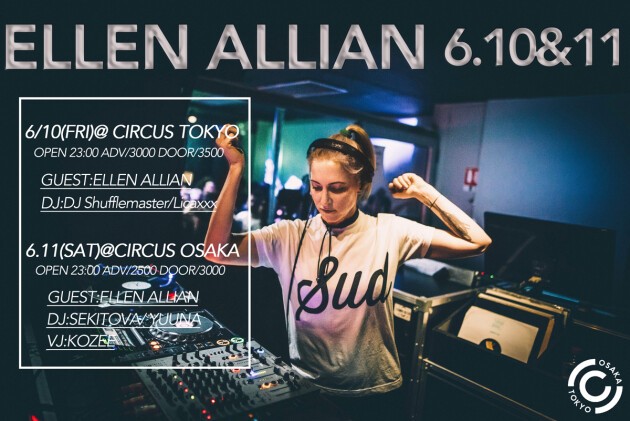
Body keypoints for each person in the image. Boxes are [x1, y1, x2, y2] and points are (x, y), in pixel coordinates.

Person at [204, 124, 492, 420]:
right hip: (308, 389)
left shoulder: (389, 231)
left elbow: (478, 242)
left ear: (360, 184)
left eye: (337, 188)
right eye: (316, 187)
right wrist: (235, 169)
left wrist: (424, 192)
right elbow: (215, 250)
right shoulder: (289, 235)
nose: (324, 200)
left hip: (376, 395)